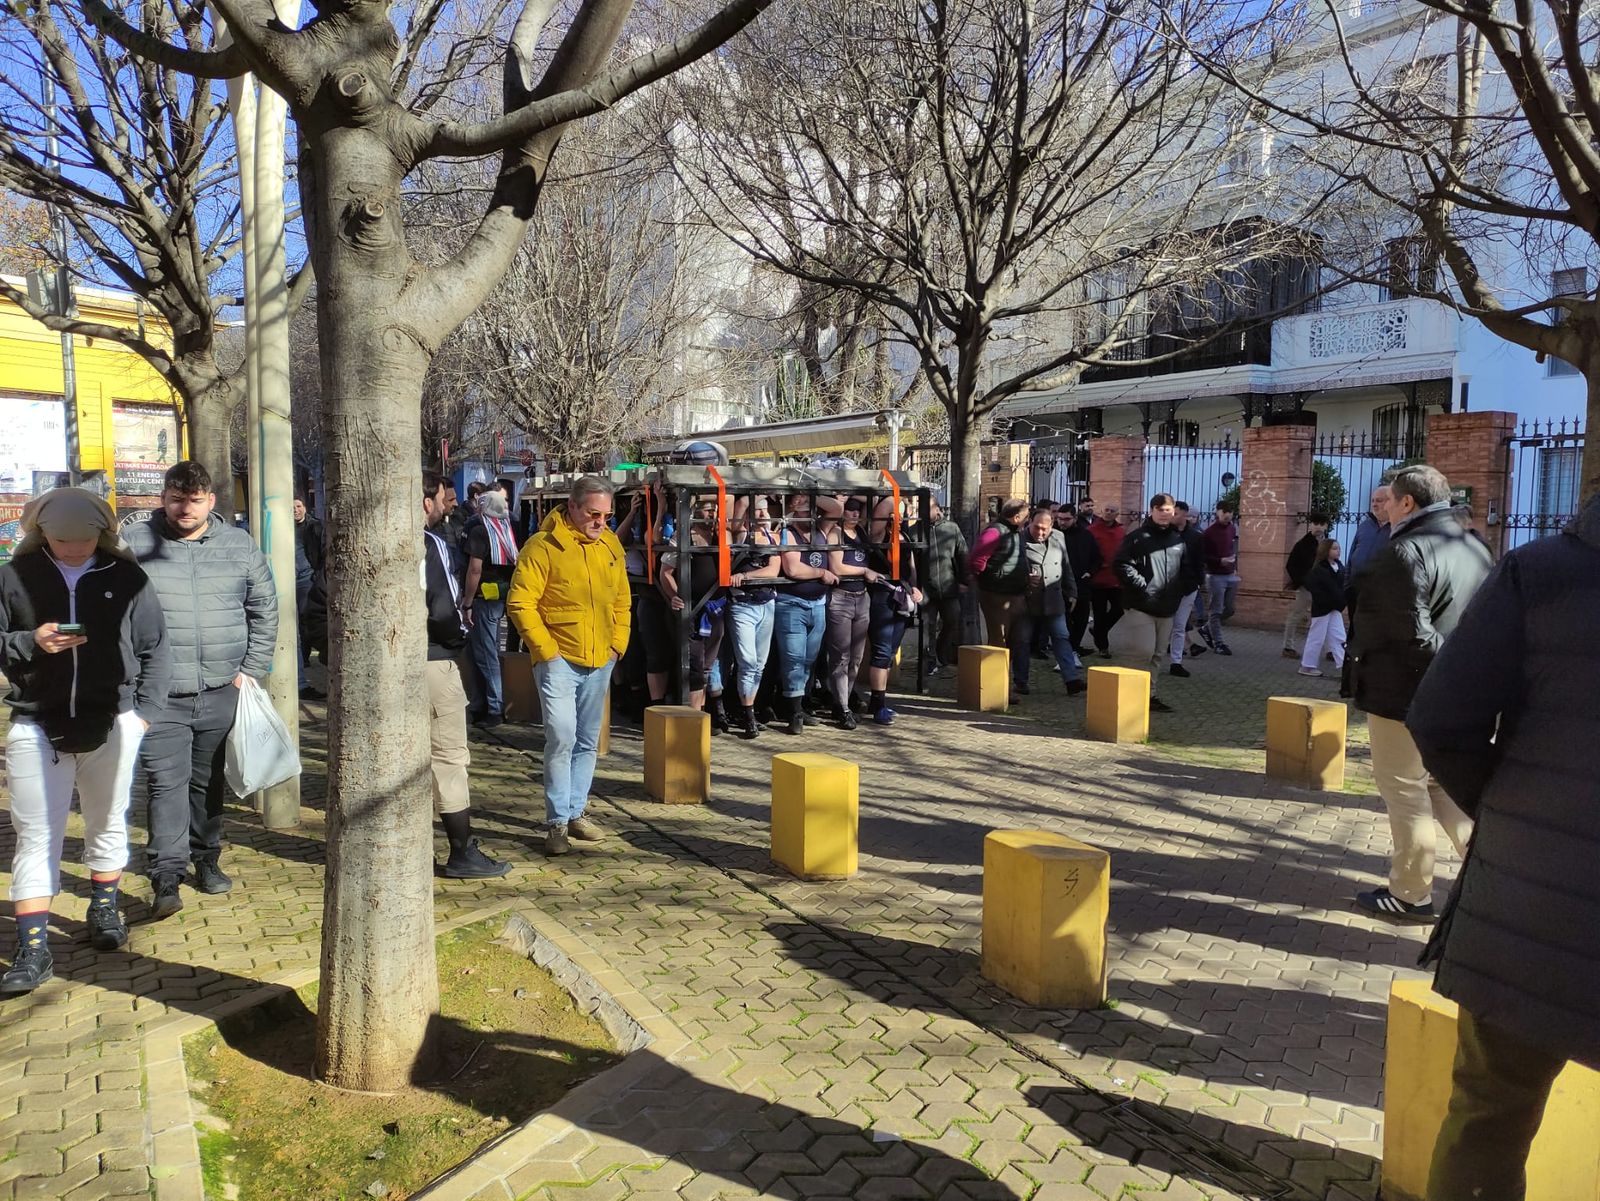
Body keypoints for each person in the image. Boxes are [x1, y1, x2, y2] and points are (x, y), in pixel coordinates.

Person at [1405, 494, 1600, 1201]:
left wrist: (1510, 809)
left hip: (1528, 907)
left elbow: (1440, 717)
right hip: (1534, 902)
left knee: (1489, 1118)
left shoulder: (1539, 572)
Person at [0, 489, 170, 994]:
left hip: (112, 723)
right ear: (40, 533)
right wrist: (33, 642)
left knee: (107, 820)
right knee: (36, 835)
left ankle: (104, 909)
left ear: (103, 533)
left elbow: (157, 648)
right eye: (60, 540)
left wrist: (143, 717)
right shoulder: (13, 577)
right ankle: (33, 949)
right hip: (36, 723)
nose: (73, 548)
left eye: (85, 539)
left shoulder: (128, 577)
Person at [123, 461, 278, 913]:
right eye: (176, 498)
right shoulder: (135, 546)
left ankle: (207, 858)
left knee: (208, 782)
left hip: (220, 688)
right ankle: (166, 875)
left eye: (194, 500)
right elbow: (113, 615)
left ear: (210, 500)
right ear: (163, 499)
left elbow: (264, 607)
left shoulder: (237, 545)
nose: (184, 508)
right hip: (158, 694)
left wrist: (252, 666)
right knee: (164, 783)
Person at [1347, 465, 1492, 920]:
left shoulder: (1405, 552)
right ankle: (1494, 878)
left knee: (1406, 789)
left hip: (1406, 695)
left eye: (1388, 500)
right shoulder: (1473, 545)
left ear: (1408, 503)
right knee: (1441, 785)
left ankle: (1411, 893)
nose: (1382, 509)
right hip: (1460, 694)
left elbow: (1411, 634)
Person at [507, 475, 630, 857]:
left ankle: (576, 811)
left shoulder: (610, 545)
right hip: (559, 659)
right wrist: (547, 651)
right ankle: (557, 821)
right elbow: (520, 602)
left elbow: (623, 600)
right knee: (561, 737)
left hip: (600, 659)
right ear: (573, 507)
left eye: (607, 516)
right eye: (594, 514)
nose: (601, 523)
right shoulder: (543, 546)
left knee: (587, 741)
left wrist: (616, 647)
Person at [418, 471, 511, 878]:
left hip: (375, 668)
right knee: (449, 758)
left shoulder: (353, 535)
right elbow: (444, 607)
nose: (450, 504)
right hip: (432, 661)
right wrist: (459, 635)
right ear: (426, 501)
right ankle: (461, 850)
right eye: (444, 497)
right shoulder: (432, 543)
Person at [1112, 495, 1187, 713]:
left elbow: (1186, 568)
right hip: (1140, 604)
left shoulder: (1177, 539)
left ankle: (1149, 696)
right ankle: (1127, 695)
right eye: (1161, 509)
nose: (1165, 514)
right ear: (1152, 510)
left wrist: (1181, 589)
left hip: (1167, 606)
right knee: (1142, 651)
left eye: (1169, 510)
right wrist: (1142, 585)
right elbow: (1121, 564)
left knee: (1158, 654)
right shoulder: (1137, 537)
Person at [774, 494, 837, 735]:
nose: (806, 510)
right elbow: (792, 568)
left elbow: (836, 507)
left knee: (809, 659)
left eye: (809, 505)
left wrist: (812, 494)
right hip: (791, 603)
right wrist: (821, 572)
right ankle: (794, 712)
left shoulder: (821, 527)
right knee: (793, 659)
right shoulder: (788, 531)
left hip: (817, 603)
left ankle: (799, 704)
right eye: (799, 505)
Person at [658, 498, 726, 716]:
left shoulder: (719, 536)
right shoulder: (683, 536)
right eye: (707, 511)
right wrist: (675, 596)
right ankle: (694, 716)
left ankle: (702, 713)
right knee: (694, 664)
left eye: (715, 511)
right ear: (696, 513)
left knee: (707, 665)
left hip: (714, 609)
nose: (712, 515)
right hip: (693, 611)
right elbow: (665, 572)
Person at [1008, 508, 1086, 699]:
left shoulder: (1059, 537)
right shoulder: (1017, 539)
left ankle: (1071, 680)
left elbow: (1065, 565)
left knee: (1061, 637)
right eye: (1037, 528)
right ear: (1029, 523)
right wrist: (1023, 579)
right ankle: (1021, 681)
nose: (1041, 532)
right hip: (1027, 600)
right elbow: (1009, 568)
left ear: (1052, 526)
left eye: (1045, 528)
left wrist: (1073, 592)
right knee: (1022, 641)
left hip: (1053, 598)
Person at [461, 488, 520, 728]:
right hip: (501, 594)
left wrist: (467, 601)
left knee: (486, 654)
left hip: (483, 597)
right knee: (485, 651)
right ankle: (482, 704)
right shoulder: (510, 527)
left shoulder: (479, 530)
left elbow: (474, 569)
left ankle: (494, 708)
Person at [861, 499, 923, 724]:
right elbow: (885, 509)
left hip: (902, 597)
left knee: (891, 651)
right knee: (881, 650)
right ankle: (878, 704)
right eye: (898, 513)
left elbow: (911, 566)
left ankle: (879, 701)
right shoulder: (879, 536)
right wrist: (894, 497)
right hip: (882, 596)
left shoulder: (904, 536)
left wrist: (916, 588)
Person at [725, 496, 782, 738]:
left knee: (759, 663)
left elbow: (773, 569)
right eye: (758, 511)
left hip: (766, 603)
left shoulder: (773, 538)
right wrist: (750, 499)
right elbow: (735, 523)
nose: (762, 515)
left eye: (765, 511)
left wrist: (746, 576)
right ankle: (747, 714)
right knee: (747, 662)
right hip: (742, 605)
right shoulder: (739, 536)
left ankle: (748, 708)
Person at [824, 496, 881, 729]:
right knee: (841, 656)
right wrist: (864, 570)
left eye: (858, 511)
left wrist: (854, 494)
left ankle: (843, 701)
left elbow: (874, 502)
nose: (855, 514)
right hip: (840, 598)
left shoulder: (862, 532)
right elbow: (837, 566)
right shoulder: (836, 534)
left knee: (857, 657)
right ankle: (841, 706)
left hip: (862, 598)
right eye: (850, 510)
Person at [969, 499, 1031, 651]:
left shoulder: (1016, 533)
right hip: (996, 593)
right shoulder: (994, 532)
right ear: (1016, 517)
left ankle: (1009, 670)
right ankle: (997, 673)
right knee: (999, 638)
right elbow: (977, 560)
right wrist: (988, 579)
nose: (1027, 520)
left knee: (1016, 638)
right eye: (1026, 516)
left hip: (1015, 592)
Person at [920, 499, 968, 673]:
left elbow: (962, 553)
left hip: (949, 586)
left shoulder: (951, 528)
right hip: (926, 588)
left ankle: (942, 652)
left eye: (927, 507)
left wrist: (963, 580)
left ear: (937, 509)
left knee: (952, 620)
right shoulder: (916, 529)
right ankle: (929, 660)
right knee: (927, 625)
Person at [1166, 502, 1207, 678]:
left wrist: (1198, 582)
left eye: (1176, 513)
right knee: (1164, 623)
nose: (1173, 516)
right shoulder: (1164, 534)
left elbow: (1200, 561)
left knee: (1180, 625)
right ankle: (1156, 657)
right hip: (1166, 587)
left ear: (1184, 515)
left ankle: (1176, 662)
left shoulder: (1195, 536)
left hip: (1188, 586)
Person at [1298, 539, 1347, 678]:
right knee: (1317, 636)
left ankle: (1345, 666)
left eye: (1338, 548)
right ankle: (1307, 666)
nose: (1338, 551)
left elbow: (1341, 587)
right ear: (1326, 551)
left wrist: (1340, 601)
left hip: (1335, 607)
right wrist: (1328, 601)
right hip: (1322, 608)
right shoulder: (1319, 569)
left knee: (1339, 636)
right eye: (1334, 548)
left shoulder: (1339, 566)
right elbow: (1316, 589)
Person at [1055, 503, 1100, 656]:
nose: (1062, 522)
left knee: (1081, 618)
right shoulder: (1053, 533)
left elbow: (1096, 557)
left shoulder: (1085, 535)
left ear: (1074, 518)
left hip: (1081, 583)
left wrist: (1090, 572)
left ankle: (1073, 648)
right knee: (1064, 619)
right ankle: (1066, 650)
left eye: (1066, 519)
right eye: (1059, 519)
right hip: (1059, 583)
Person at [1282, 514, 1329, 657]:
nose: (1318, 527)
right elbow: (1290, 565)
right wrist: (1303, 581)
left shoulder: (1328, 544)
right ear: (1310, 525)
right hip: (1306, 587)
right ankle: (1287, 647)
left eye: (1321, 524)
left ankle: (1330, 650)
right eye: (1315, 523)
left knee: (1325, 617)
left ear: (1326, 526)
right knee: (1295, 615)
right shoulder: (1302, 544)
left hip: (1323, 587)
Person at [1086, 502, 1128, 655]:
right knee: (1099, 613)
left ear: (1117, 514)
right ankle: (1103, 647)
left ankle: (1098, 630)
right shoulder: (1092, 530)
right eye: (1106, 510)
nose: (1108, 513)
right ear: (1102, 511)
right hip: (1098, 579)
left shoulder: (1120, 531)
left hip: (1116, 578)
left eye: (1112, 511)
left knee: (1119, 608)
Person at [1200, 500, 1239, 655]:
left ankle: (1206, 628)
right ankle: (1219, 643)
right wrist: (1219, 561)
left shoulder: (1232, 528)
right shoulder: (1209, 532)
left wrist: (1233, 566)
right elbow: (1203, 556)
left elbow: (1232, 548)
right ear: (1217, 512)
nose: (1227, 515)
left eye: (1230, 512)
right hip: (1215, 575)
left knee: (1229, 609)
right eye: (1224, 512)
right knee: (1216, 610)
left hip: (1230, 574)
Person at [1347, 484, 1392, 577]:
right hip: (1356, 587)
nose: (1374, 504)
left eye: (1379, 501)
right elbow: (1351, 556)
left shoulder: (1398, 528)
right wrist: (1347, 586)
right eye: (1373, 501)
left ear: (1391, 502)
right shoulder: (1365, 526)